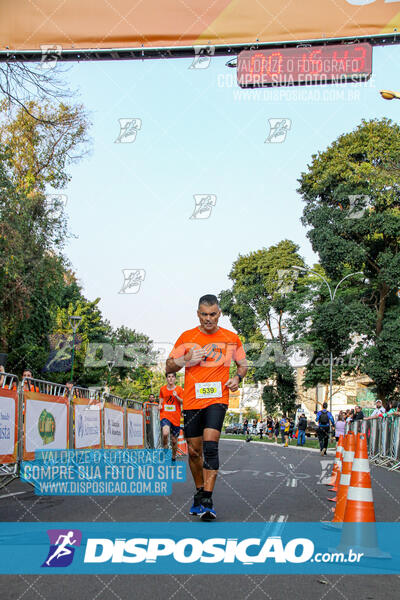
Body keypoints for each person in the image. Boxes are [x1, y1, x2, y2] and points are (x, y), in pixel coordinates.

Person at [166, 294, 247, 521]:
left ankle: (208, 499)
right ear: (198, 314)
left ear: (219, 313)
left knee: (210, 445)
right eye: (204, 314)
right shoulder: (187, 337)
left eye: (212, 314)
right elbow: (168, 366)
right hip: (192, 401)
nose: (208, 319)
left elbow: (243, 365)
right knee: (194, 451)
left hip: (217, 399)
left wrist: (237, 379)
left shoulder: (231, 338)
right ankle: (200, 492)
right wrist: (187, 359)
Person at [158, 373, 184, 462]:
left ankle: (173, 457)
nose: (170, 378)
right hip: (165, 415)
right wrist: (160, 404)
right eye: (169, 377)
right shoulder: (162, 389)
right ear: (166, 379)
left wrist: (176, 396)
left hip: (175, 417)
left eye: (172, 377)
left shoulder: (179, 389)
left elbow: (183, 401)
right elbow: (161, 399)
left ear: (175, 379)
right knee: (165, 433)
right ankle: (164, 450)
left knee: (174, 441)